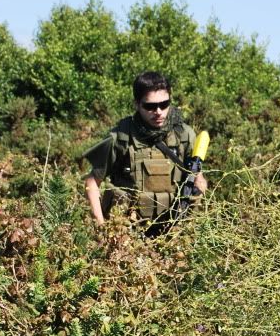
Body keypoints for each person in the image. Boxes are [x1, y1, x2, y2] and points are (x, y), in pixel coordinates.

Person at [83, 71, 207, 229]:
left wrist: (196, 193)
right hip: (126, 230)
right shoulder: (121, 136)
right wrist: (101, 228)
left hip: (173, 229)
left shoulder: (184, 135)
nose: (158, 112)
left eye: (164, 104)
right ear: (136, 104)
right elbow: (92, 182)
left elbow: (199, 179)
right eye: (150, 106)